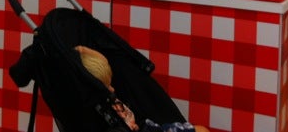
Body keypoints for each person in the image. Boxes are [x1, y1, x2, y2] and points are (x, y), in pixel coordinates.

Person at [75, 46, 210, 132]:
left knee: (201, 130)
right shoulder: (102, 110)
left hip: (148, 127)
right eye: (106, 86)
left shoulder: (109, 102)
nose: (112, 89)